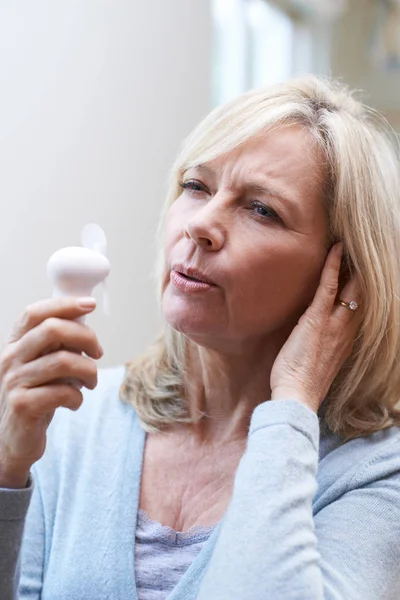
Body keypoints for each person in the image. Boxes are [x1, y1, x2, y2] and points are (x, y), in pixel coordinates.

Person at [1, 75, 400, 600]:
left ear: (343, 275)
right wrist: (8, 470)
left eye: (262, 209)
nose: (202, 224)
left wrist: (295, 401)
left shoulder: (375, 473)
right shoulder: (76, 418)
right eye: (196, 186)